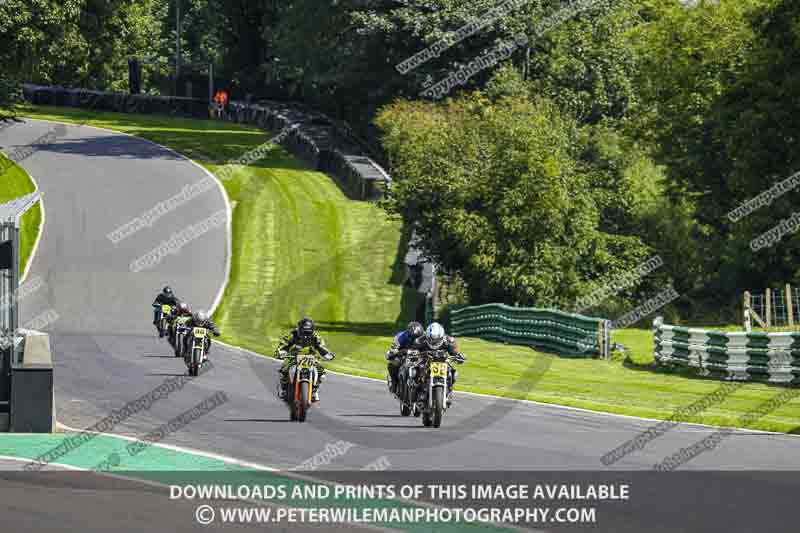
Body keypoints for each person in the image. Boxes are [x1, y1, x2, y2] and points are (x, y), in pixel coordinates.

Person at [275, 317, 334, 402]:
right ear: (299, 330)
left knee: (322, 372)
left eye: (308, 333)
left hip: (311, 358)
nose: (306, 336)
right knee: (283, 371)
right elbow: (284, 344)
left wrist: (327, 355)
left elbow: (322, 348)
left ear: (312, 331)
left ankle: (314, 390)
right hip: (294, 356)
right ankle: (283, 388)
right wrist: (280, 352)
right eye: (303, 332)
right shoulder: (292, 335)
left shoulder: (316, 338)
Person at [412, 322, 466, 406]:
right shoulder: (420, 340)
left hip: (442, 363)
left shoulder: (449, 340)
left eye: (436, 340)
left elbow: (454, 353)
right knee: (416, 371)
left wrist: (459, 356)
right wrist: (414, 354)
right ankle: (419, 393)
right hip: (426, 361)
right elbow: (413, 350)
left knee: (453, 373)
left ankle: (449, 391)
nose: (434, 342)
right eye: (431, 340)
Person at [386, 321, 424, 394]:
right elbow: (393, 347)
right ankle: (394, 382)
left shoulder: (424, 337)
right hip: (404, 356)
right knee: (393, 364)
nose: (415, 340)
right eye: (413, 338)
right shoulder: (401, 336)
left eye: (418, 337)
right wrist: (393, 352)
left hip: (419, 357)